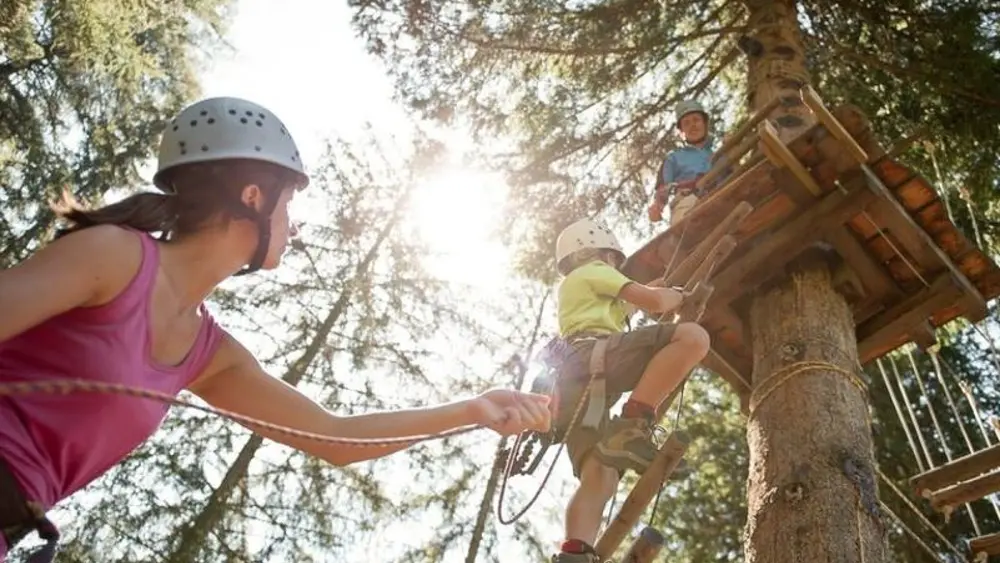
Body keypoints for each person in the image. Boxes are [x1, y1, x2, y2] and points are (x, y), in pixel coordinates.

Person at [0, 96, 551, 562]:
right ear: (253, 197)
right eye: (288, 204)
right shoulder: (114, 255)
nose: (295, 225)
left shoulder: (209, 353)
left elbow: (334, 437)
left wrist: (471, 409)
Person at [547, 219, 710, 563]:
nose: (615, 267)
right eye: (613, 260)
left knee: (600, 474)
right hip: (596, 358)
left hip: (572, 384)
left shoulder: (579, 285)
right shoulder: (593, 270)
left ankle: (575, 554)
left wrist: (651, 291)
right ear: (598, 253)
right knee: (693, 337)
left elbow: (626, 305)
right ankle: (633, 426)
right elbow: (654, 302)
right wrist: (677, 296)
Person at [647, 100, 718, 225]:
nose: (692, 125)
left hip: (720, 196)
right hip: (688, 200)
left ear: (705, 123)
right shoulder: (674, 158)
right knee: (685, 221)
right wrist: (657, 207)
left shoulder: (719, 155)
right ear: (682, 131)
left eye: (696, 120)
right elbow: (663, 187)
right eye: (686, 123)